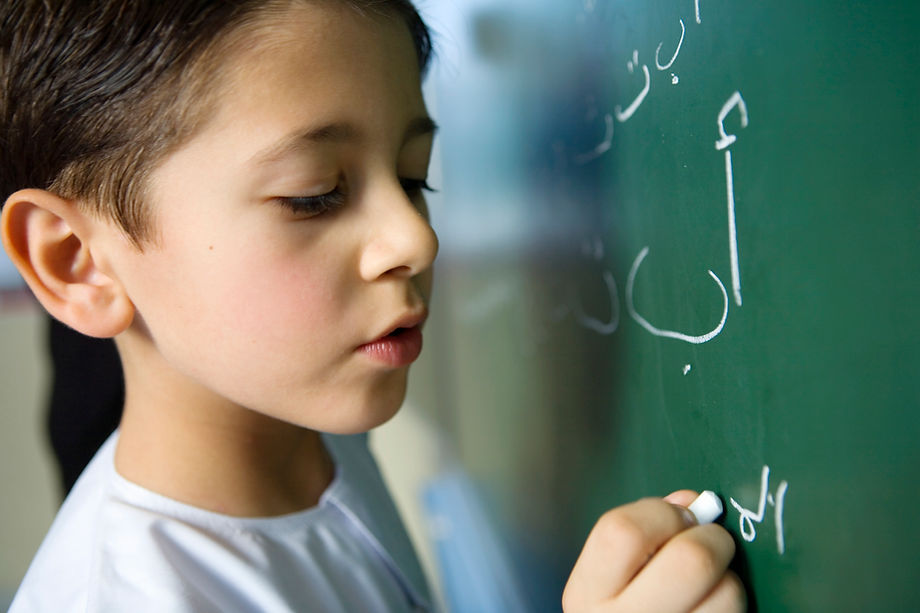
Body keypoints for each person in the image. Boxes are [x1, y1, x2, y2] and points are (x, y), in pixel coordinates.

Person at [0, 1, 744, 611]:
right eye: (314, 194)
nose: (415, 238)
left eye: (416, 176)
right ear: (78, 262)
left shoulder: (312, 432)